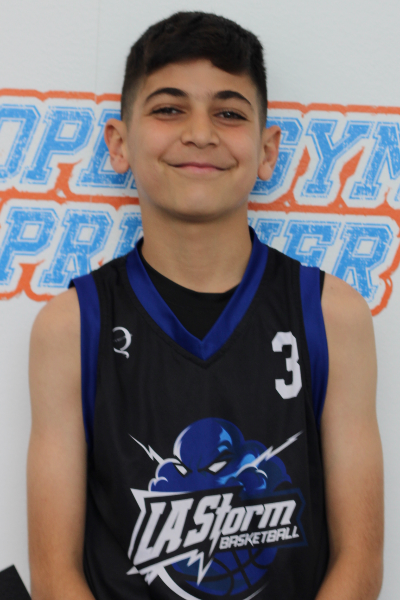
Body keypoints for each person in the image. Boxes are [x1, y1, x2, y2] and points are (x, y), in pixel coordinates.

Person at [27, 11, 383, 600]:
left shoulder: (330, 315)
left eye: (229, 113)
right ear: (119, 143)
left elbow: (360, 562)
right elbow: (54, 575)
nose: (200, 133)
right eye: (169, 109)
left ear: (267, 150)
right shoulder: (70, 327)